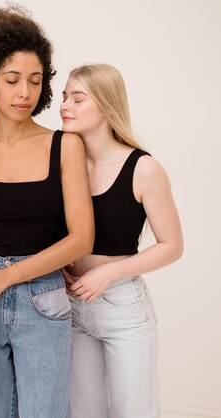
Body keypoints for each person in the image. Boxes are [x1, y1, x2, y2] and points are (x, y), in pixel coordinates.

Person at [0, 6, 94, 417]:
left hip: (43, 298)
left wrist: (5, 278)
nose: (24, 93)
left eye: (34, 81)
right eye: (12, 81)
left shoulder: (65, 145)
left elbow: (82, 238)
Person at [60, 63, 183, 418]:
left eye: (78, 99)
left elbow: (172, 245)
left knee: (134, 412)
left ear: (106, 104)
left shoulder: (144, 168)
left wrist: (108, 274)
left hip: (123, 309)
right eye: (66, 97)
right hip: (72, 308)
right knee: (83, 412)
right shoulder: (66, 164)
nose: (65, 105)